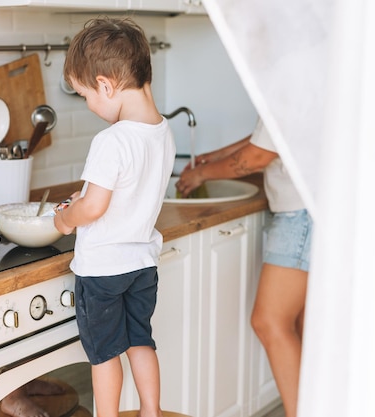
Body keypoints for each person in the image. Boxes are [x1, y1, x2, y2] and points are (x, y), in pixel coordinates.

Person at [53, 17, 176, 417]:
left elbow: (94, 208)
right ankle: (150, 411)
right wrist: (86, 196)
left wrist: (67, 218)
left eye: (86, 95)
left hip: (104, 269)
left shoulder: (112, 139)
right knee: (141, 340)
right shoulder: (162, 131)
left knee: (105, 354)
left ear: (106, 85)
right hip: (142, 265)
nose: (90, 104)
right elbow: (127, 191)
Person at [175, 119, 312, 417]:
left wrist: (201, 173)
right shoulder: (304, 78)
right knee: (300, 324)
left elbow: (258, 156)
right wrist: (217, 156)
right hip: (311, 208)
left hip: (300, 214)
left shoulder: (289, 78)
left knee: (269, 321)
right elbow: (271, 136)